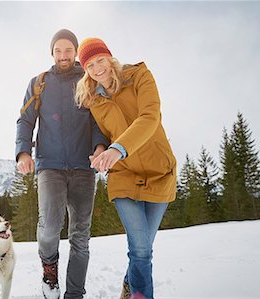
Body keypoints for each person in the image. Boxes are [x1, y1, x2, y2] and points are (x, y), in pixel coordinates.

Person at [75, 38, 177, 299]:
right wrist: (100, 149)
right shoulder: (92, 100)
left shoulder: (140, 76)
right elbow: (99, 132)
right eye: (90, 65)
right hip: (123, 175)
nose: (98, 68)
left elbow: (150, 117)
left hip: (159, 171)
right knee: (140, 249)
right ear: (85, 69)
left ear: (110, 58)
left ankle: (130, 284)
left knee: (145, 246)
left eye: (100, 60)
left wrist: (117, 148)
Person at [15, 29, 108, 299]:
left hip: (83, 167)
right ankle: (49, 271)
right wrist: (23, 152)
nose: (63, 55)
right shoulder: (39, 83)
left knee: (80, 236)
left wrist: (99, 146)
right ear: (52, 52)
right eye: (58, 50)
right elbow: (25, 120)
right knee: (49, 228)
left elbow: (98, 122)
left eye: (69, 50)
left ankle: (75, 294)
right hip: (50, 167)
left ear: (76, 52)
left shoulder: (88, 80)